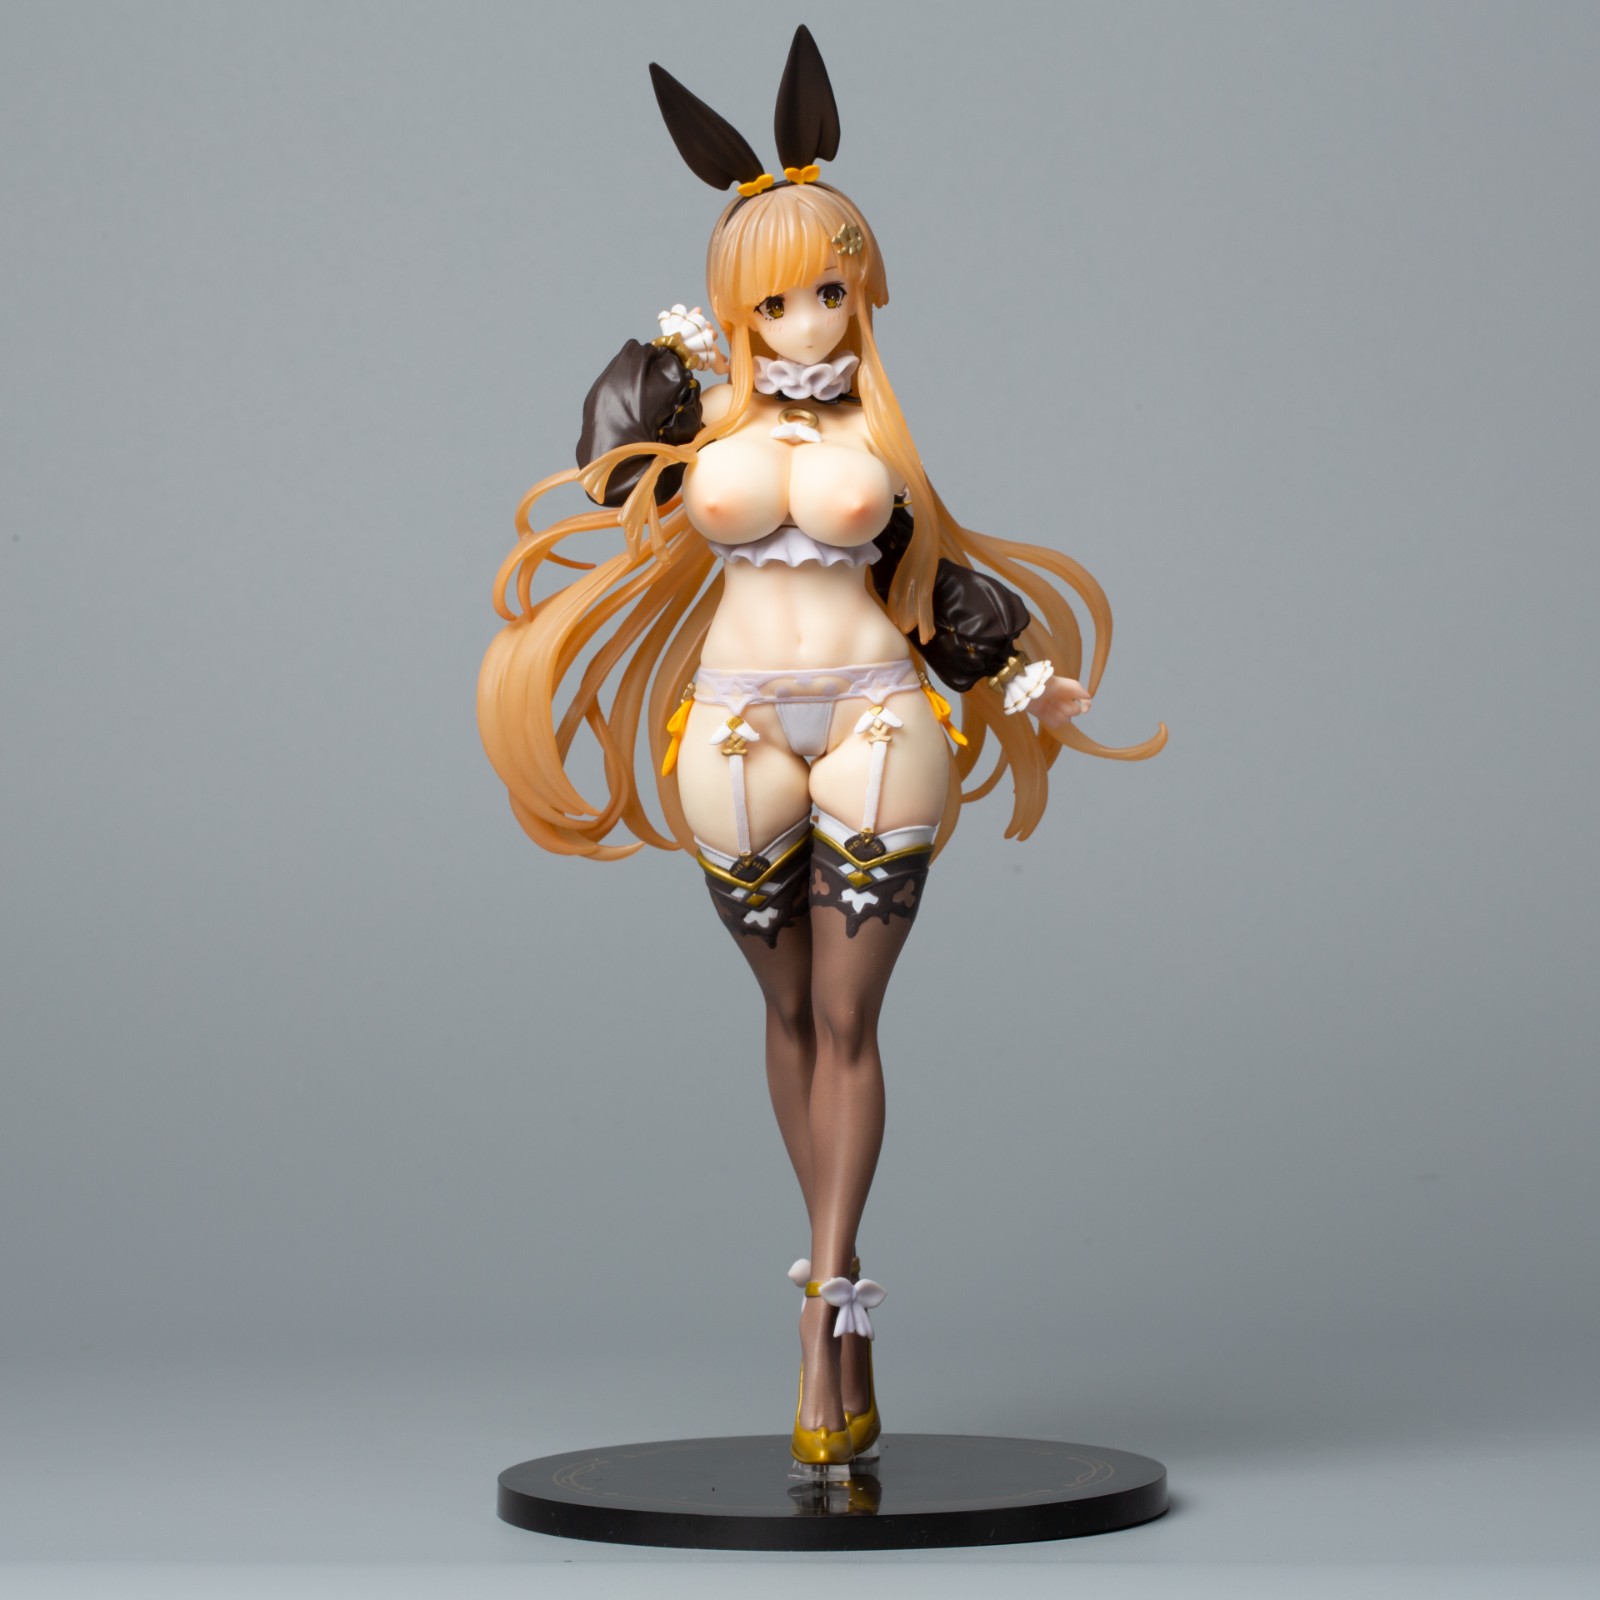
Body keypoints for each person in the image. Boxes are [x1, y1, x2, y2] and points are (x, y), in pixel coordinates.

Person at [477, 25, 1165, 1476]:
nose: (806, 324)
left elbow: (936, 579)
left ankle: (821, 1308)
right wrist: (655, 373)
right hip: (731, 725)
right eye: (776, 300)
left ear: (865, 288)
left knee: (848, 1023)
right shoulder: (701, 401)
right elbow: (602, 483)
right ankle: (841, 1322)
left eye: (830, 292)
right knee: (787, 1016)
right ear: (742, 304)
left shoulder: (881, 441)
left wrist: (1030, 677)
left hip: (875, 716)